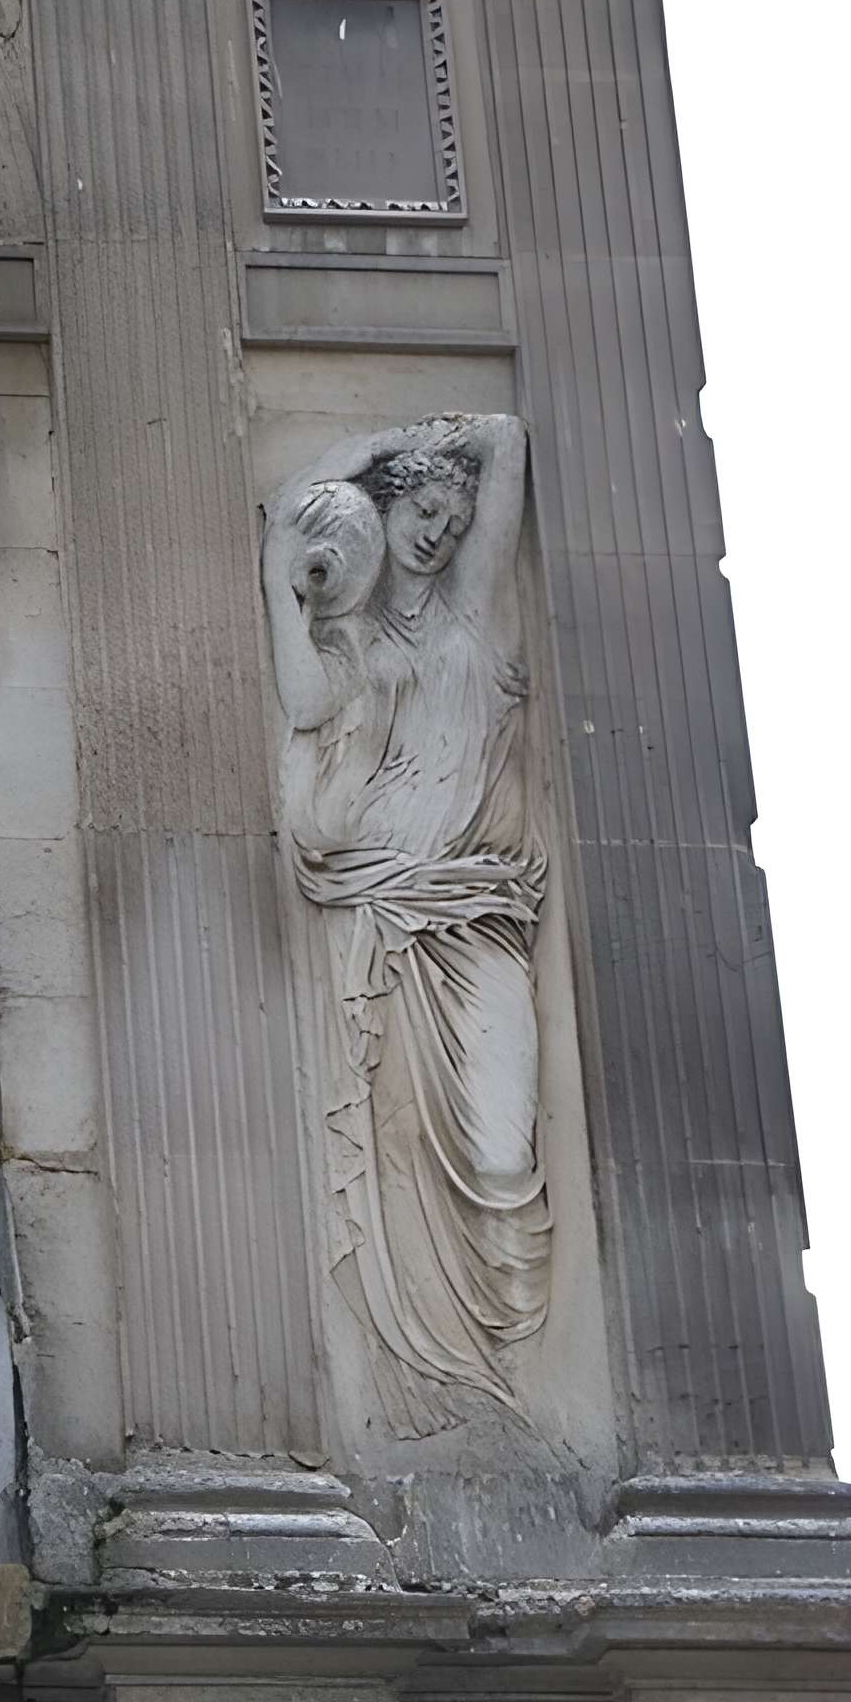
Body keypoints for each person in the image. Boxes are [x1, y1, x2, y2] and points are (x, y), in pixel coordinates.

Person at [264, 412, 548, 1431]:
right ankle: (435, 1387)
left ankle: (509, 1361)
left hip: (473, 916)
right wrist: (361, 457)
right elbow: (298, 706)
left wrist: (448, 444)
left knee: (504, 1151)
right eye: (419, 511)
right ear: (381, 516)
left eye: (450, 517)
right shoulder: (341, 632)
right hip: (375, 927)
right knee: (386, 1159)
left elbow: (507, 440)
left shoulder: (478, 619)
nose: (437, 531)